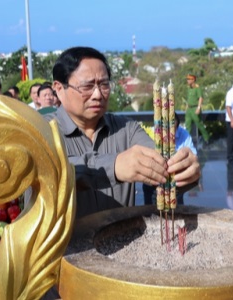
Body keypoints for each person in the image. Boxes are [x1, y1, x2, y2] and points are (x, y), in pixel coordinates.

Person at [47, 46, 200, 219]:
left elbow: (161, 163)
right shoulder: (41, 130)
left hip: (121, 238)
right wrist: (114, 166)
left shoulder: (127, 128)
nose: (97, 94)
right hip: (69, 245)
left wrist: (183, 171)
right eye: (87, 86)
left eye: (104, 85)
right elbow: (48, 174)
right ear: (59, 88)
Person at [142, 113, 197, 205]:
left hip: (175, 184)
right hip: (153, 182)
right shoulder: (149, 134)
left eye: (172, 131)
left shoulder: (184, 135)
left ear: (177, 128)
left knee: (177, 211)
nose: (167, 136)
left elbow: (193, 156)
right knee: (151, 211)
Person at [184, 74, 210, 144]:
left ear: (193, 80)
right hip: (189, 109)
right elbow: (188, 98)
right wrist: (186, 107)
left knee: (199, 124)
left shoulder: (197, 88)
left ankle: (206, 138)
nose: (187, 80)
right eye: (187, 79)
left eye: (189, 79)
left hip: (195, 108)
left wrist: (199, 107)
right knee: (187, 125)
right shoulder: (189, 88)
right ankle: (186, 140)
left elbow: (200, 98)